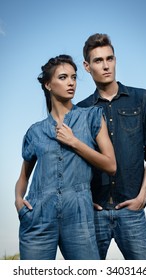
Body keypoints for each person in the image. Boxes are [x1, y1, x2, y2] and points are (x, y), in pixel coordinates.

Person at [15, 54, 116, 260]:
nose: (71, 82)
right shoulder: (35, 131)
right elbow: (24, 177)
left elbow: (111, 165)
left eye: (74, 77)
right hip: (38, 218)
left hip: (79, 217)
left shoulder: (91, 116)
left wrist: (74, 142)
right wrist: (18, 201)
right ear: (48, 85)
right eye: (63, 77)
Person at [77, 33, 146, 260]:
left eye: (110, 58)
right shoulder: (79, 110)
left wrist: (143, 196)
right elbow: (75, 163)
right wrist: (85, 200)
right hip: (94, 213)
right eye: (98, 60)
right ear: (87, 66)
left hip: (131, 210)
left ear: (115, 59)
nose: (106, 66)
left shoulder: (143, 99)